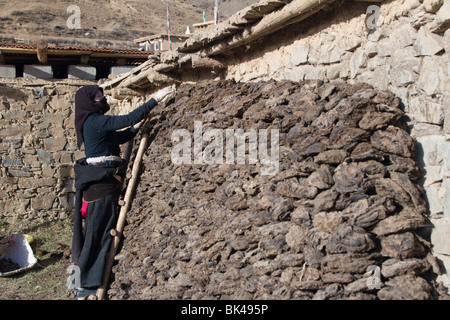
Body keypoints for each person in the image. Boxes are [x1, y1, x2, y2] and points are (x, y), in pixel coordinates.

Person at [71, 84, 174, 299]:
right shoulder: (95, 121)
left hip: (102, 187)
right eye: (98, 96)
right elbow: (126, 119)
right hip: (100, 189)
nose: (103, 98)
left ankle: (81, 282)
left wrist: (135, 130)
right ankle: (84, 285)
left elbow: (120, 136)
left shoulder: (94, 124)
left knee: (94, 233)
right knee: (96, 236)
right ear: (89, 102)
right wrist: (154, 100)